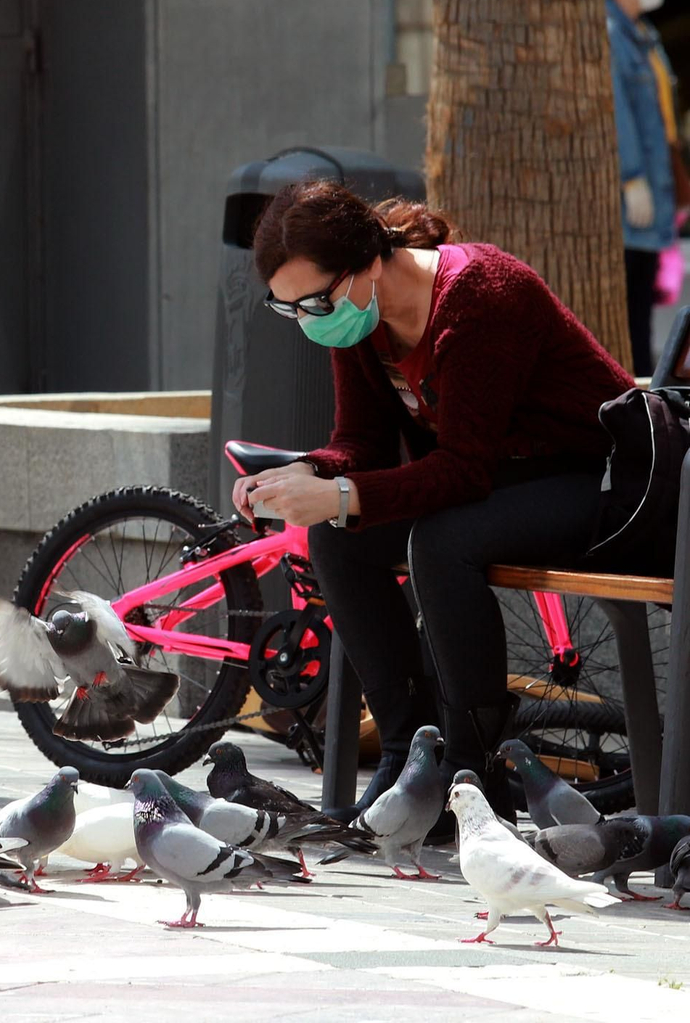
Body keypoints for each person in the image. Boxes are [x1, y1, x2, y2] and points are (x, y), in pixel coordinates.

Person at [237, 181, 635, 822]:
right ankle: (407, 755)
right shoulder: (360, 323)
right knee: (339, 535)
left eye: (315, 301)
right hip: (501, 481)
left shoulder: (481, 294)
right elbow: (360, 444)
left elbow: (464, 470)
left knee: (443, 539)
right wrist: (307, 473)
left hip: (601, 481)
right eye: (291, 311)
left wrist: (341, 491)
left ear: (367, 262)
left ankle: (474, 773)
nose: (310, 321)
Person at [606, 0, 678, 376]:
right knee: (632, 310)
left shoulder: (640, 31)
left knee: (643, 309)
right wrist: (632, 177)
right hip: (630, 201)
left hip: (651, 192)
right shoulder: (614, 30)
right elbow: (619, 111)